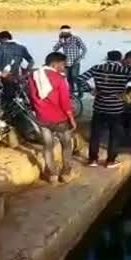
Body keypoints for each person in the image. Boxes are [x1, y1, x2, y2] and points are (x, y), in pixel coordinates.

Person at [77, 50, 131, 168]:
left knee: (96, 134)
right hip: (116, 108)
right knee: (114, 135)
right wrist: (126, 91)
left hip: (99, 106)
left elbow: (80, 78)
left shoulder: (97, 67)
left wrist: (91, 89)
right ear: (120, 58)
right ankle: (110, 161)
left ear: (107, 57)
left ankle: (92, 160)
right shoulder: (125, 70)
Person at [28, 52, 77, 184]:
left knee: (47, 145)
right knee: (66, 144)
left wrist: (36, 111)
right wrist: (71, 118)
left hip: (42, 118)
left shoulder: (34, 76)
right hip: (60, 118)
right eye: (63, 64)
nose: (64, 67)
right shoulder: (59, 78)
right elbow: (65, 101)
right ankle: (66, 172)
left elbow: (32, 97)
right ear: (54, 64)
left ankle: (52, 174)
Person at [53, 25, 87, 95]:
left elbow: (84, 49)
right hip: (66, 63)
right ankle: (71, 93)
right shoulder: (62, 40)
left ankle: (81, 92)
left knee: (75, 77)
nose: (64, 33)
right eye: (62, 32)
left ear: (69, 31)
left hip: (75, 62)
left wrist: (80, 58)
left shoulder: (76, 38)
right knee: (68, 78)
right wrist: (61, 42)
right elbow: (54, 49)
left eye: (65, 32)